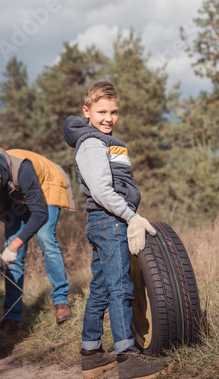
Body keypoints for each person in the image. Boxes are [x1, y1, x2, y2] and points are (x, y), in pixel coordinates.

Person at [63, 82, 168, 379]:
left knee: (100, 288)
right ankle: (128, 356)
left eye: (114, 112)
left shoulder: (104, 140)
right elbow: (101, 190)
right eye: (101, 112)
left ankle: (92, 354)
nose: (108, 118)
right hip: (109, 221)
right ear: (87, 112)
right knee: (121, 287)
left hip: (106, 221)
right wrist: (131, 216)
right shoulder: (92, 142)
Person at [0, 148, 75, 337]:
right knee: (12, 257)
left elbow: (40, 213)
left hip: (45, 186)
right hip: (15, 197)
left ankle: (61, 303)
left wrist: (13, 246)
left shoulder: (22, 169)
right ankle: (12, 319)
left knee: (45, 238)